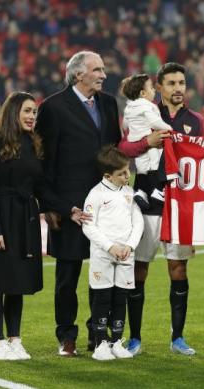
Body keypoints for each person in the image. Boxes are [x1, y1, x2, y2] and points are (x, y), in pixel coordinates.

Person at [34, 51, 122, 357]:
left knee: (103, 274)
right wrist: (51, 206)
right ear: (77, 75)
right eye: (96, 69)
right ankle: (66, 336)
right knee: (67, 276)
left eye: (102, 69)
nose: (103, 74)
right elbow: (43, 164)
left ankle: (97, 332)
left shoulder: (109, 103)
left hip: (106, 207)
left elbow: (113, 152)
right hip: (69, 208)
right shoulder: (54, 108)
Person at [119, 62, 204, 356]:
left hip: (179, 205)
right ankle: (134, 338)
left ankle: (178, 337)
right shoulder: (144, 112)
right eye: (171, 83)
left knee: (178, 269)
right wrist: (148, 141)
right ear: (159, 87)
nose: (178, 88)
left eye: (182, 82)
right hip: (147, 205)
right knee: (139, 269)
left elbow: (201, 158)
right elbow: (124, 150)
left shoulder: (195, 121)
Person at [0, 91, 46, 360]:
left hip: (25, 220)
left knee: (17, 283)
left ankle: (15, 340)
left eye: (34, 112)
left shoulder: (34, 145)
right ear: (12, 112)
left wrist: (59, 210)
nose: (31, 117)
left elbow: (40, 188)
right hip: (1, 221)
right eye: (27, 111)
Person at [82, 145, 144, 361]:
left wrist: (130, 246)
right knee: (103, 298)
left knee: (120, 298)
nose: (128, 176)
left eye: (128, 171)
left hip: (126, 255)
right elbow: (88, 226)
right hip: (103, 256)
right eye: (122, 174)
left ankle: (117, 341)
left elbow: (138, 222)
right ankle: (100, 343)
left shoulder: (129, 193)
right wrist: (111, 247)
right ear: (107, 175)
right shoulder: (95, 194)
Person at [120, 73, 173, 209]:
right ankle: (158, 191)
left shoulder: (129, 107)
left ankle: (140, 192)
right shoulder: (148, 106)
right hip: (149, 141)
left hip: (135, 140)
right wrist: (169, 129)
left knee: (142, 169)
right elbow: (155, 122)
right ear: (143, 93)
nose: (154, 90)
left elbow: (125, 125)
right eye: (151, 88)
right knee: (155, 165)